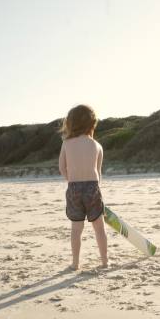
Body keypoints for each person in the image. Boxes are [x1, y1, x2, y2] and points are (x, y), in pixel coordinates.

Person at [58, 104, 108, 270]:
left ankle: (75, 263)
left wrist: (71, 181)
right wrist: (96, 190)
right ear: (92, 124)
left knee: (76, 228)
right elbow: (98, 172)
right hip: (93, 188)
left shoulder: (66, 144)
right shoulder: (97, 145)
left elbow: (62, 168)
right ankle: (105, 262)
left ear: (70, 123)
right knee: (99, 228)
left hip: (73, 188)